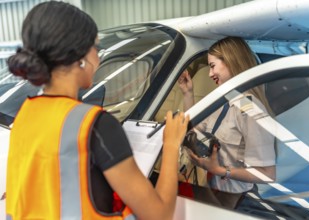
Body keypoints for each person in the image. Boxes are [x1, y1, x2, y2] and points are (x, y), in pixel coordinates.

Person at [6, 2, 189, 220]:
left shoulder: (25, 114)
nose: (98, 58)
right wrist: (170, 144)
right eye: (96, 48)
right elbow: (159, 215)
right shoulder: (95, 125)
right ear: (80, 56)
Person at [178, 36, 276, 209]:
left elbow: (267, 174)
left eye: (212, 66)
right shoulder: (223, 101)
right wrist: (187, 93)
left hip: (231, 196)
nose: (210, 74)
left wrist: (221, 171)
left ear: (231, 61)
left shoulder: (250, 109)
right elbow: (194, 131)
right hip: (211, 187)